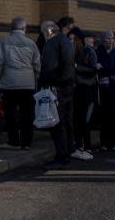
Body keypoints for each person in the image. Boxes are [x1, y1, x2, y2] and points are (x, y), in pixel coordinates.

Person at [0, 16, 40, 150]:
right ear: (24, 28)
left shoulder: (3, 41)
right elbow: (37, 64)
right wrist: (34, 77)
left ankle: (13, 141)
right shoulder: (31, 43)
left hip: (9, 82)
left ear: (11, 28)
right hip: (28, 83)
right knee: (27, 113)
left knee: (10, 112)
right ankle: (27, 142)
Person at [39, 19, 76, 169]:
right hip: (68, 87)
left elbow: (49, 67)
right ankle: (67, 152)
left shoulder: (52, 44)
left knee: (56, 123)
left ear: (48, 31)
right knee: (66, 121)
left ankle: (61, 156)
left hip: (56, 88)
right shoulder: (67, 41)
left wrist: (43, 82)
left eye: (43, 33)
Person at [71, 28, 99, 159]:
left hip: (88, 89)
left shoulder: (89, 52)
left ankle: (87, 148)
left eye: (73, 39)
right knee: (77, 119)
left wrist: (77, 67)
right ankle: (79, 146)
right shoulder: (73, 52)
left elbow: (93, 70)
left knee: (85, 120)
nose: (71, 42)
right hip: (77, 89)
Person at [97, 30, 115, 151]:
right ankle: (104, 142)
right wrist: (107, 70)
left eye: (112, 38)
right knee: (103, 116)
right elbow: (98, 68)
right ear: (103, 40)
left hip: (114, 89)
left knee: (114, 116)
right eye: (108, 38)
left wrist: (105, 68)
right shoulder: (99, 52)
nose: (110, 40)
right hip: (102, 89)